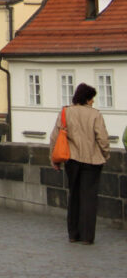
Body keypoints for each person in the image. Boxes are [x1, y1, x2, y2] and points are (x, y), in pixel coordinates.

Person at [49, 83, 110, 244]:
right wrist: (106, 154)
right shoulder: (95, 115)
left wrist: (54, 160)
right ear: (87, 99)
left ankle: (73, 234)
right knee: (89, 198)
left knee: (74, 196)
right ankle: (87, 237)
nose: (93, 102)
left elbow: (55, 137)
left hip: (72, 160)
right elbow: (102, 138)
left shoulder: (66, 112)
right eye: (92, 99)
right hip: (92, 160)